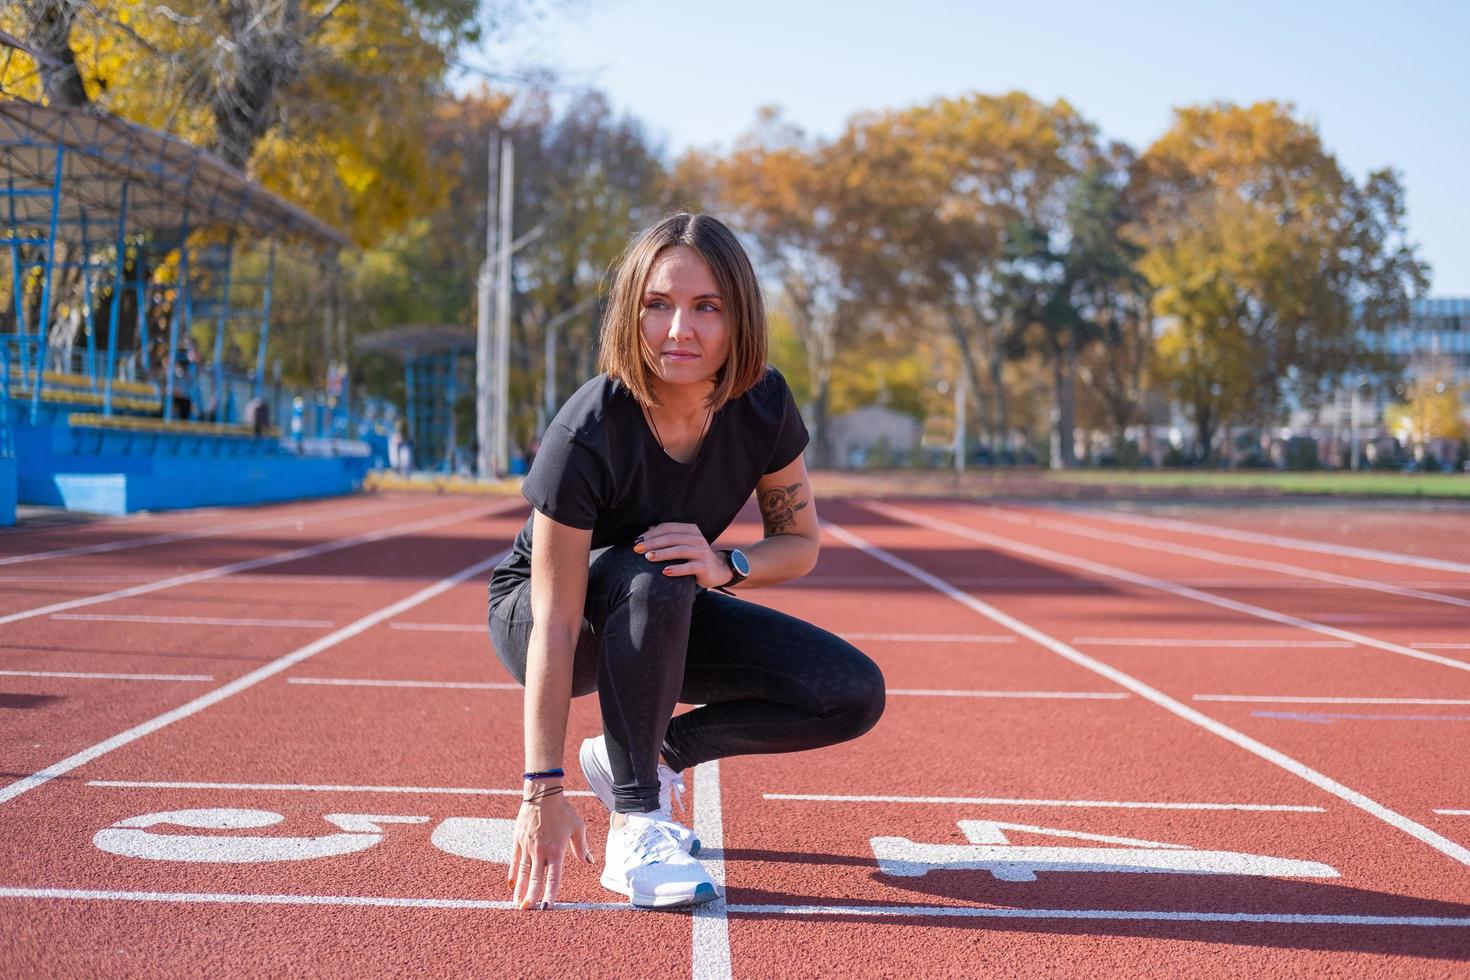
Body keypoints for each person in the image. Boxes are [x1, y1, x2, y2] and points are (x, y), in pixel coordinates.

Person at [486, 213, 885, 911]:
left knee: (848, 692)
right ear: (631, 312)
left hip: (665, 602)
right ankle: (637, 828)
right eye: (658, 306)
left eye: (707, 308)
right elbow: (551, 622)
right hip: (550, 618)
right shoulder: (590, 428)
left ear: (739, 320)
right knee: (655, 574)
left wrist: (725, 564)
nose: (680, 331)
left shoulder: (762, 405)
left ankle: (641, 754)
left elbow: (800, 543)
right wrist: (540, 791)